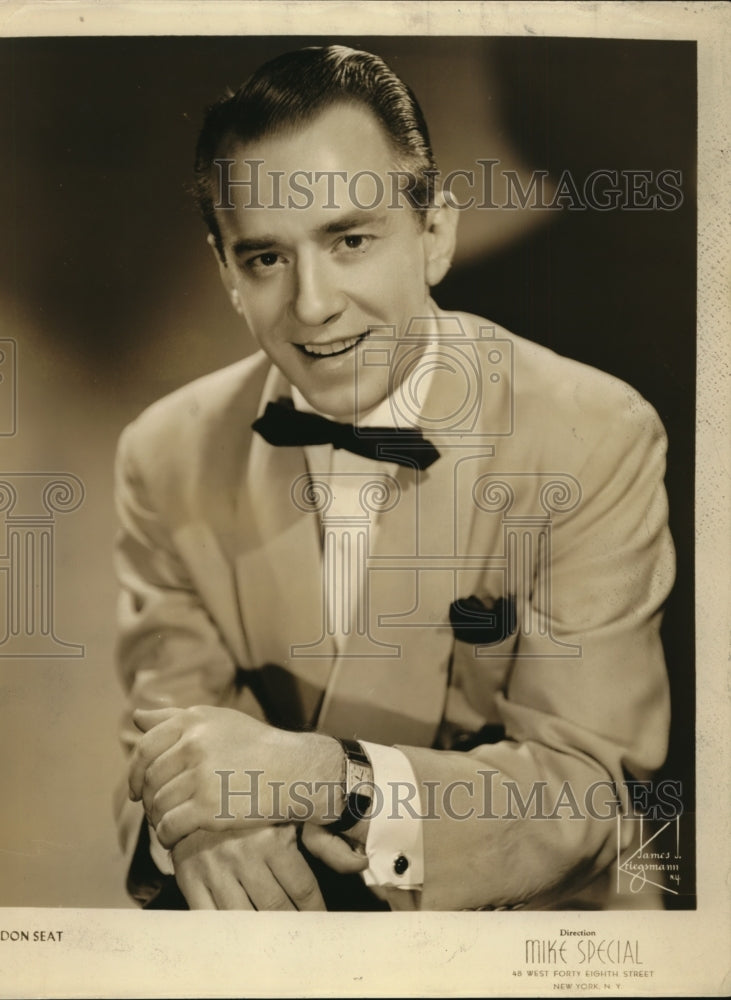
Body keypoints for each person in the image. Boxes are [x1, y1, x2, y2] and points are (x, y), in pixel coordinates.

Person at [113, 45, 675, 911]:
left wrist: (321, 776)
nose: (312, 305)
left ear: (435, 234)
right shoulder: (164, 453)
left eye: (350, 240)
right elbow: (161, 757)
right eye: (266, 258)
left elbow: (587, 792)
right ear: (227, 273)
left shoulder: (596, 433)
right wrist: (197, 823)